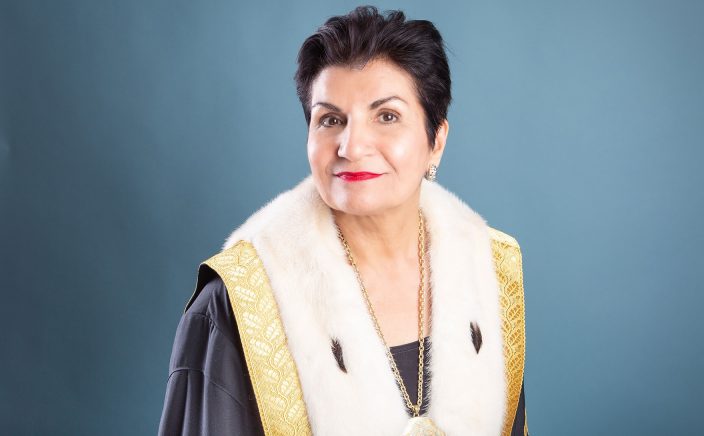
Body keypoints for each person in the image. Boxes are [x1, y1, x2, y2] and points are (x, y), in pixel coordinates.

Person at [158, 6, 528, 436]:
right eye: (331, 119)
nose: (351, 146)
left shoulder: (489, 271)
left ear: (436, 141)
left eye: (386, 116)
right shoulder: (237, 304)